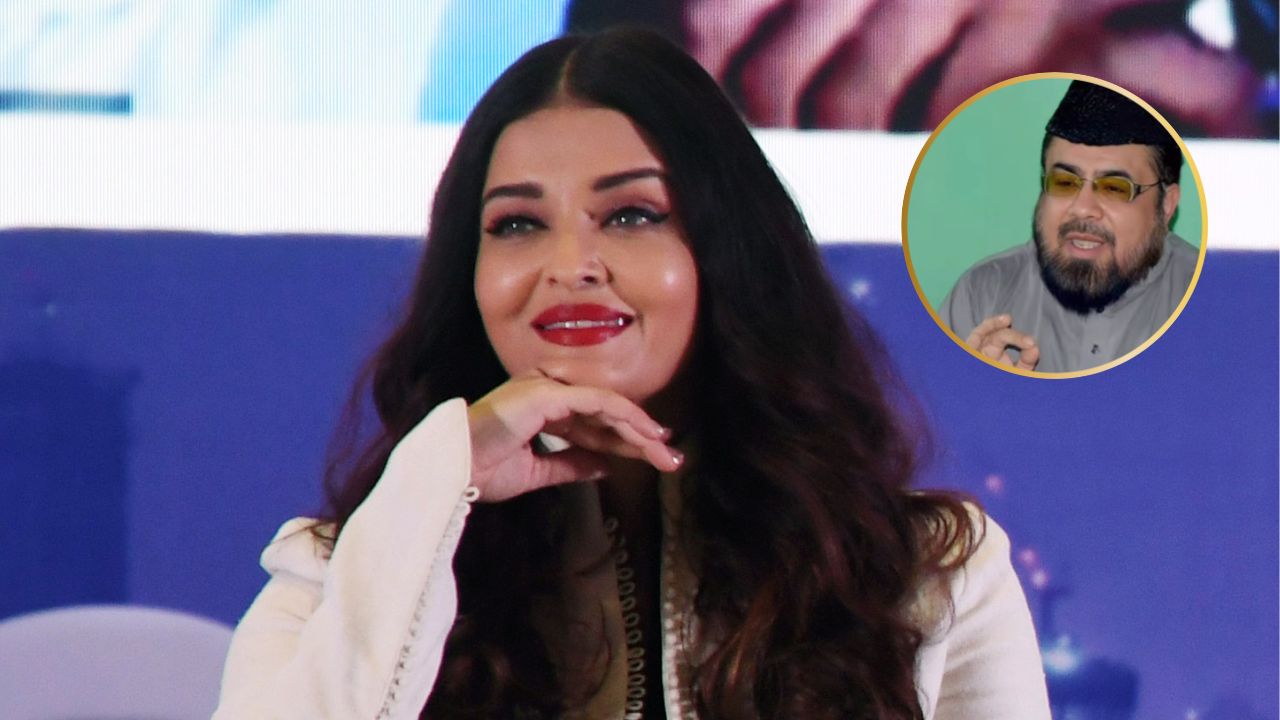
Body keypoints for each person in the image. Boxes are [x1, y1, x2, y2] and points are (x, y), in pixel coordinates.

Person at [214, 28, 1050, 719]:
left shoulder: (927, 576)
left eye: (631, 214)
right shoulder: (333, 575)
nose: (570, 264)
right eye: (517, 225)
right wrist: (436, 488)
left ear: (726, 253)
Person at [941, 79, 1198, 373]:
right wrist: (985, 389)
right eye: (1064, 182)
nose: (1082, 208)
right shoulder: (983, 295)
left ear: (1167, 205)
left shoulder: (1215, 305)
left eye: (1115, 188)